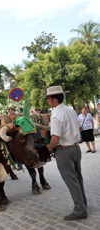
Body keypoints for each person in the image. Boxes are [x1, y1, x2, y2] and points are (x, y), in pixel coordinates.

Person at [43, 85, 87, 221]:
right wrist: (71, 136)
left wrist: (49, 147)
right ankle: (83, 204)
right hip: (75, 148)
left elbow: (55, 139)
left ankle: (80, 210)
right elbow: (80, 128)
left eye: (48, 98)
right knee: (77, 178)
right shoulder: (71, 110)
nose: (47, 101)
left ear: (55, 99)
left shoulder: (56, 114)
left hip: (64, 151)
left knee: (71, 180)